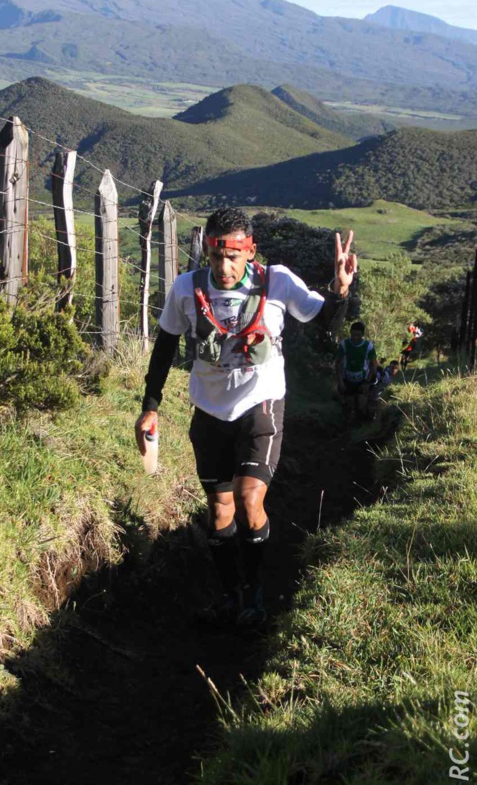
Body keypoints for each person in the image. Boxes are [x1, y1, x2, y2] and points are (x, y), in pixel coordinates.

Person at [134, 207, 356, 631]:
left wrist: (340, 291)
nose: (224, 266)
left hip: (262, 405)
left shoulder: (277, 282)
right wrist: (151, 405)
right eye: (216, 256)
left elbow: (325, 324)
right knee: (219, 512)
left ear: (249, 252)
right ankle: (227, 594)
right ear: (206, 249)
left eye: (233, 257)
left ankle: (254, 594)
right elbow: (164, 348)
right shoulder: (186, 289)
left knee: (249, 501)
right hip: (210, 410)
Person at [336, 321, 377, 421]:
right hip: (348, 380)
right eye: (353, 335)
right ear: (350, 333)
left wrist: (367, 382)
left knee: (361, 407)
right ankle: (348, 429)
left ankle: (363, 425)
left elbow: (374, 365)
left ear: (362, 334)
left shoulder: (369, 346)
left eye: (358, 335)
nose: (355, 338)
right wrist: (340, 381)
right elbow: (338, 363)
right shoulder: (344, 344)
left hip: (362, 380)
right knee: (350, 406)